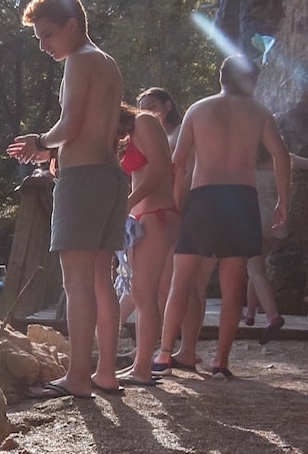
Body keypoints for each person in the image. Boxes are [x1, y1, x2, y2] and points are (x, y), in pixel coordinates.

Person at [8, 0, 127, 399]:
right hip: (112, 178)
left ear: (72, 26)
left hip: (84, 179)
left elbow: (71, 123)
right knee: (101, 281)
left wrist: (40, 141)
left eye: (48, 35)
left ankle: (78, 377)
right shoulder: (107, 63)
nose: (44, 46)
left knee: (76, 284)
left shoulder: (78, 60)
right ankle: (106, 373)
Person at [153, 55, 291, 379]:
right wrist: (283, 201)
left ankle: (163, 354)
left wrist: (175, 205)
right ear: (252, 83)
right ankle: (221, 362)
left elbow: (179, 163)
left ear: (221, 78)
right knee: (234, 286)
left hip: (205, 198)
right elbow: (281, 155)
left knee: (181, 279)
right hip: (241, 200)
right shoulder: (259, 113)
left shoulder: (198, 109)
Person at [114, 102, 178, 387]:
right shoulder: (131, 132)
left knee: (143, 292)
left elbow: (161, 171)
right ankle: (140, 363)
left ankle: (143, 368)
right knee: (141, 293)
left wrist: (125, 205)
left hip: (157, 214)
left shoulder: (145, 123)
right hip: (143, 216)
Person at [244, 148, 308, 341]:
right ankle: (250, 313)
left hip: (253, 219)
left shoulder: (246, 160)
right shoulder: (284, 158)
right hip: (275, 220)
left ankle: (273, 315)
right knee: (258, 265)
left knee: (254, 269)